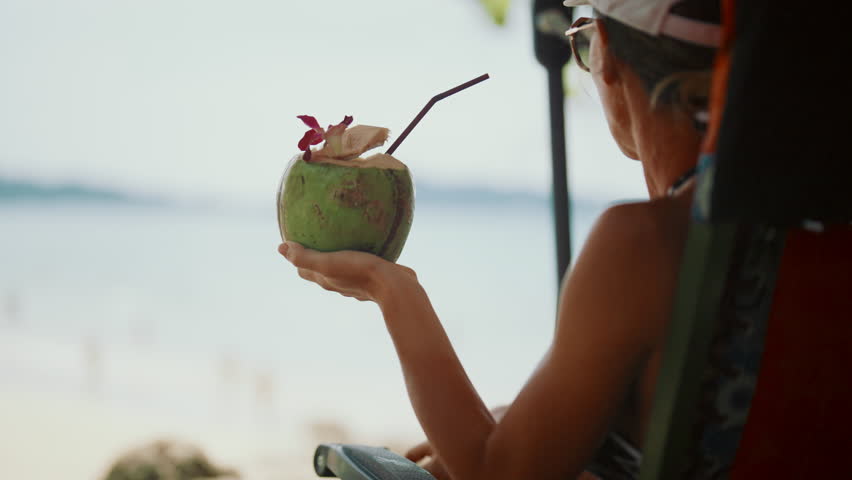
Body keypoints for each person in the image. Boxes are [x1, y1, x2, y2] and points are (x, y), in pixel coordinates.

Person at [278, 0, 722, 478]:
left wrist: (392, 290)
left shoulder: (644, 245)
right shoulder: (787, 227)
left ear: (607, 56)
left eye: (585, 42)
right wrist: (518, 423)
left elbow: (497, 475)